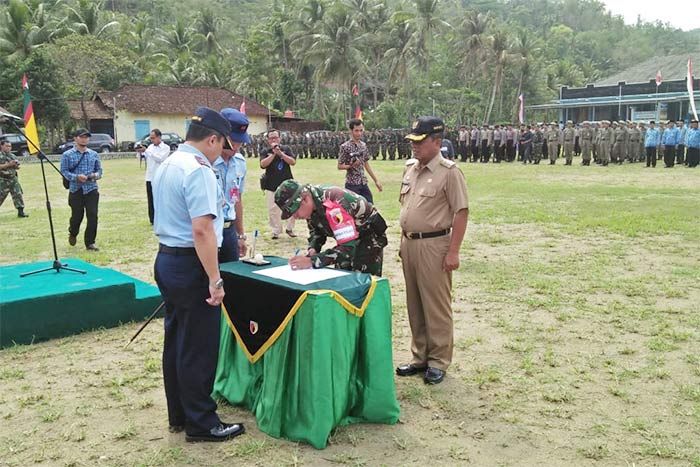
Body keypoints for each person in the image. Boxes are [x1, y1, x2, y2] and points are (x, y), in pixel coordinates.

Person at [152, 107, 245, 443]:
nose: (221, 152)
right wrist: (215, 279)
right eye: (221, 145)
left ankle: (180, 413)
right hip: (192, 264)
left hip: (167, 258)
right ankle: (202, 423)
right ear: (212, 138)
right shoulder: (198, 170)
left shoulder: (168, 164)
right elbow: (203, 230)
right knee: (199, 346)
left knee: (177, 341)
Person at [395, 116, 469, 385]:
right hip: (410, 243)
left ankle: (438, 360)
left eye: (419, 141)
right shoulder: (410, 168)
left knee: (436, 305)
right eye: (412, 141)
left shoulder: (449, 172)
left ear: (436, 142)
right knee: (414, 303)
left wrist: (454, 251)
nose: (413, 146)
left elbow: (461, 213)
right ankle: (420, 356)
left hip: (435, 245)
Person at [274, 179, 388, 276]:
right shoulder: (311, 204)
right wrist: (313, 249)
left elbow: (347, 248)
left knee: (361, 283)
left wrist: (312, 261)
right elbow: (317, 231)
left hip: (368, 239)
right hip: (348, 241)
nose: (295, 216)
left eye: (295, 211)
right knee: (342, 277)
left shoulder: (334, 205)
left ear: (305, 199)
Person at [215, 108, 249, 263]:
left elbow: (237, 200)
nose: (237, 147)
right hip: (210, 229)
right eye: (233, 141)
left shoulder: (240, 163)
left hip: (229, 230)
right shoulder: (206, 163)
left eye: (240, 142)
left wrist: (240, 235)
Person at [60, 129, 102, 251]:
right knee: (77, 216)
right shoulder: (67, 155)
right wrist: (76, 177)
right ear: (75, 138)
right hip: (76, 189)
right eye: (82, 137)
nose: (84, 139)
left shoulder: (93, 154)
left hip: (91, 189)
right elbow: (64, 172)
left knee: (93, 216)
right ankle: (73, 232)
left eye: (87, 137)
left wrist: (94, 175)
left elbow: (100, 170)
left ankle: (90, 242)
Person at [260, 129, 296, 239]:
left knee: (290, 206)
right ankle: (276, 230)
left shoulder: (286, 149)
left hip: (286, 183)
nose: (274, 140)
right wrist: (273, 154)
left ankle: (290, 228)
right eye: (271, 138)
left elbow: (292, 162)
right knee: (273, 209)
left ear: (279, 138)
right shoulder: (265, 150)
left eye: (275, 137)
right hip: (271, 184)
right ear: (268, 140)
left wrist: (281, 154)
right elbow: (262, 164)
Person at [337, 118, 383, 203]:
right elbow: (339, 166)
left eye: (361, 130)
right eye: (356, 130)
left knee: (369, 207)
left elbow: (366, 164)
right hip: (352, 184)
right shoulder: (345, 147)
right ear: (351, 131)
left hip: (363, 182)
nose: (359, 133)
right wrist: (351, 165)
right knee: (354, 211)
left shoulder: (363, 145)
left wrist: (376, 180)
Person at [137, 129, 171, 225]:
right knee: (151, 199)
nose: (151, 140)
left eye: (153, 138)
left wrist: (147, 151)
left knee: (161, 198)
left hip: (160, 176)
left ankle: (163, 218)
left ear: (159, 137)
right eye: (150, 138)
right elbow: (144, 157)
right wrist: (140, 152)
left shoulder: (165, 147)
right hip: (150, 176)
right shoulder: (150, 147)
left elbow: (160, 158)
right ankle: (152, 219)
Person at [0, 138, 28, 217]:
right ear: (1, 146)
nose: (8, 148)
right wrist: (8, 165)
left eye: (10, 146)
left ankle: (21, 211)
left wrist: (16, 166)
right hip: (2, 179)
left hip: (13, 179)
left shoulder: (12, 155)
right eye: (6, 146)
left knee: (18, 195)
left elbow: (16, 167)